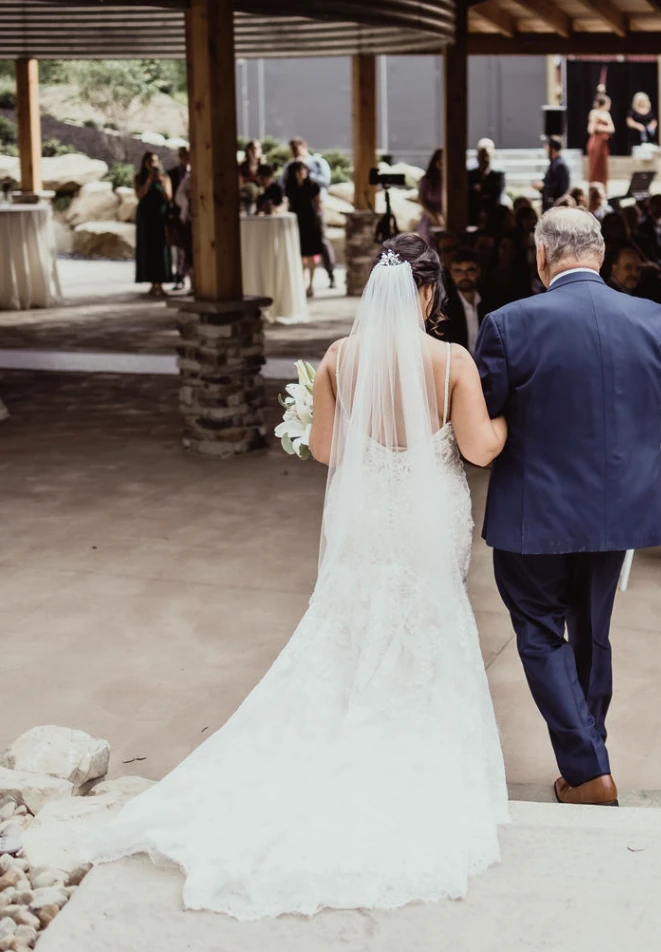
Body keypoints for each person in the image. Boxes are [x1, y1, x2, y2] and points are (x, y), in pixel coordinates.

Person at [83, 234, 510, 914]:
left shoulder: (341, 357)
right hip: (429, 519)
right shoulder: (451, 359)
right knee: (426, 613)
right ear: (428, 294)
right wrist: (510, 422)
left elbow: (322, 451)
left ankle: (339, 730)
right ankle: (405, 747)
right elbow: (480, 448)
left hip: (369, 514)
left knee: (354, 614)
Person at [475, 208, 661, 807]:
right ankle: (591, 757)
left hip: (533, 514)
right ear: (598, 253)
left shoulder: (507, 323)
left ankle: (590, 770)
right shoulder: (654, 318)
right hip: (617, 509)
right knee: (594, 632)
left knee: (541, 633)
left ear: (542, 256)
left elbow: (484, 425)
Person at [282, 139, 336, 286]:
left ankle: (331, 274)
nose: (295, 151)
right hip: (298, 212)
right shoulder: (289, 167)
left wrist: (306, 173)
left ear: (304, 147)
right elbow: (283, 185)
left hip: (314, 211)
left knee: (322, 242)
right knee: (300, 247)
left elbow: (325, 181)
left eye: (297, 148)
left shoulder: (317, 162)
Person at [286, 159, 332, 296]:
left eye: (303, 170)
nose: (301, 173)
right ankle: (301, 283)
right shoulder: (291, 188)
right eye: (298, 171)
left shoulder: (313, 185)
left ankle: (311, 285)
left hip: (311, 222)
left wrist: (318, 221)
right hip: (297, 222)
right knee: (300, 255)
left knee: (311, 254)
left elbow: (318, 204)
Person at [134, 151, 171, 297]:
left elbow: (168, 197)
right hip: (145, 217)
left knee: (161, 248)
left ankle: (161, 283)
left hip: (160, 216)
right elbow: (139, 195)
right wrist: (149, 181)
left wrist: (160, 182)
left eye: (155, 161)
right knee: (147, 248)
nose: (152, 164)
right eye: (149, 161)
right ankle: (151, 283)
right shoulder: (140, 178)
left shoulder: (165, 177)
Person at [442, 247, 488, 354]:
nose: (465, 276)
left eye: (470, 270)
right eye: (458, 271)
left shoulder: (491, 301)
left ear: (478, 271)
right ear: (451, 273)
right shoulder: (444, 307)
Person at [166, 147, 191, 291]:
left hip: (192, 215)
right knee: (180, 249)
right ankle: (179, 276)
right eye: (184, 156)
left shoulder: (196, 173)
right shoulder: (172, 174)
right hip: (179, 215)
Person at [467, 138, 506, 227]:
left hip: (493, 217)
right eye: (481, 155)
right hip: (472, 216)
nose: (484, 159)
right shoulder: (470, 175)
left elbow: (497, 196)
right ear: (477, 156)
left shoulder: (498, 175)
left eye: (486, 156)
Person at [586, 92, 615, 189]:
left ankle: (603, 189)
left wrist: (599, 127)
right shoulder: (594, 113)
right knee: (594, 166)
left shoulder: (606, 114)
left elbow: (612, 129)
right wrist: (602, 128)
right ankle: (593, 189)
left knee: (602, 168)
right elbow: (591, 129)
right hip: (595, 143)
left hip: (603, 143)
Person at [536, 136, 570, 212]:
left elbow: (561, 188)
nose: (545, 149)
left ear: (552, 149)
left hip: (556, 206)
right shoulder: (554, 164)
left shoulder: (560, 165)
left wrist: (543, 187)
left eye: (547, 147)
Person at [416, 149, 443, 240]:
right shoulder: (427, 180)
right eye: (441, 162)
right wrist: (434, 216)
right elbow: (421, 200)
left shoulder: (449, 182)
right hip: (430, 217)